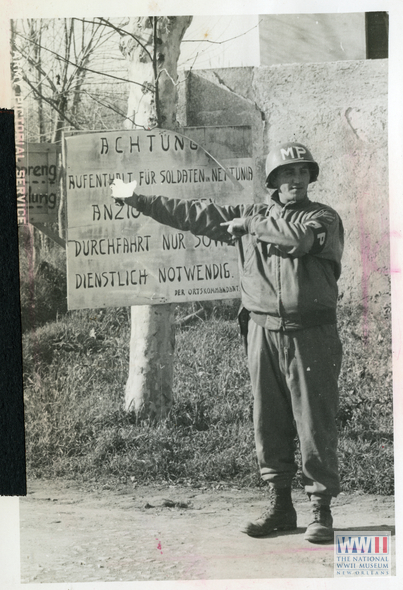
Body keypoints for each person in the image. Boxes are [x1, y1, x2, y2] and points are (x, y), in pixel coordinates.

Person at [111, 142, 344, 543]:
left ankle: (321, 510)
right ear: (272, 181)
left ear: (311, 177)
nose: (295, 180)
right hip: (261, 331)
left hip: (311, 333)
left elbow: (300, 241)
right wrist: (139, 200)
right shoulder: (250, 216)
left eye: (302, 172)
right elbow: (194, 215)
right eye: (287, 173)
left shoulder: (322, 217)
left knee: (313, 422)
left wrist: (249, 226)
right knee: (268, 421)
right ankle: (280, 506)